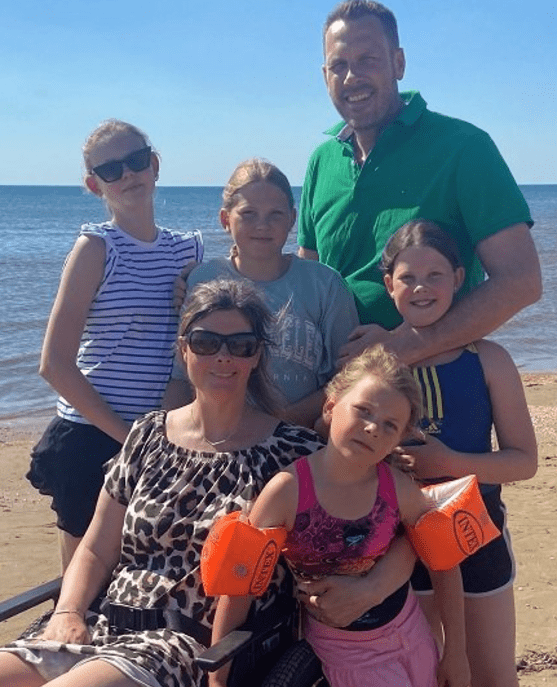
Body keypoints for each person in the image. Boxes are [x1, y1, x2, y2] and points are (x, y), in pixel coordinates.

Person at [0, 279, 327, 687]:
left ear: (256, 356)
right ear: (183, 349)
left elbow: (359, 515)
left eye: (240, 345)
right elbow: (97, 548)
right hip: (102, 624)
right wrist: (68, 612)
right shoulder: (148, 436)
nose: (222, 356)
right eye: (206, 342)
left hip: (187, 645)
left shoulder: (292, 453)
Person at [209, 345, 471, 687]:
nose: (373, 428)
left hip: (413, 636)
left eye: (389, 425)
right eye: (363, 410)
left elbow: (445, 563)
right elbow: (238, 586)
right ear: (330, 407)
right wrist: (218, 678)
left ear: (399, 438)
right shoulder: (287, 492)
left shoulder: (397, 489)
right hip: (344, 654)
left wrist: (456, 652)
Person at [297, 0, 541, 367]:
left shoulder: (463, 147)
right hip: (337, 380)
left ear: (398, 63)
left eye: (367, 60)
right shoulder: (322, 161)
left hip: (436, 378)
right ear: (324, 75)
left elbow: (520, 281)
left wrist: (399, 347)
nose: (351, 77)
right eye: (338, 65)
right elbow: (307, 285)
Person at [26, 119, 203, 571]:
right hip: (92, 437)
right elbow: (55, 364)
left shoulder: (189, 251)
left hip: (165, 436)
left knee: (146, 573)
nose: (127, 174)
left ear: (155, 165)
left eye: (136, 160)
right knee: (83, 578)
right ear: (94, 185)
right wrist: (129, 439)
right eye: (110, 169)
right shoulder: (96, 248)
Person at [381, 220, 537, 687]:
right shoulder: (378, 363)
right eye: (408, 277)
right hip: (399, 539)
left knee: (491, 674)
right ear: (388, 285)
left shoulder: (489, 359)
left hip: (477, 529)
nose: (421, 287)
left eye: (435, 275)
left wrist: (450, 464)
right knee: (423, 673)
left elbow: (524, 461)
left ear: (459, 278)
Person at [165, 158, 359, 429]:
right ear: (225, 219)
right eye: (248, 213)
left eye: (275, 214)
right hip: (218, 440)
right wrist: (168, 435)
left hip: (299, 438)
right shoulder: (203, 280)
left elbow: (349, 377)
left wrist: (275, 427)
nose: (262, 225)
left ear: (292, 219)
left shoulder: (325, 285)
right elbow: (181, 375)